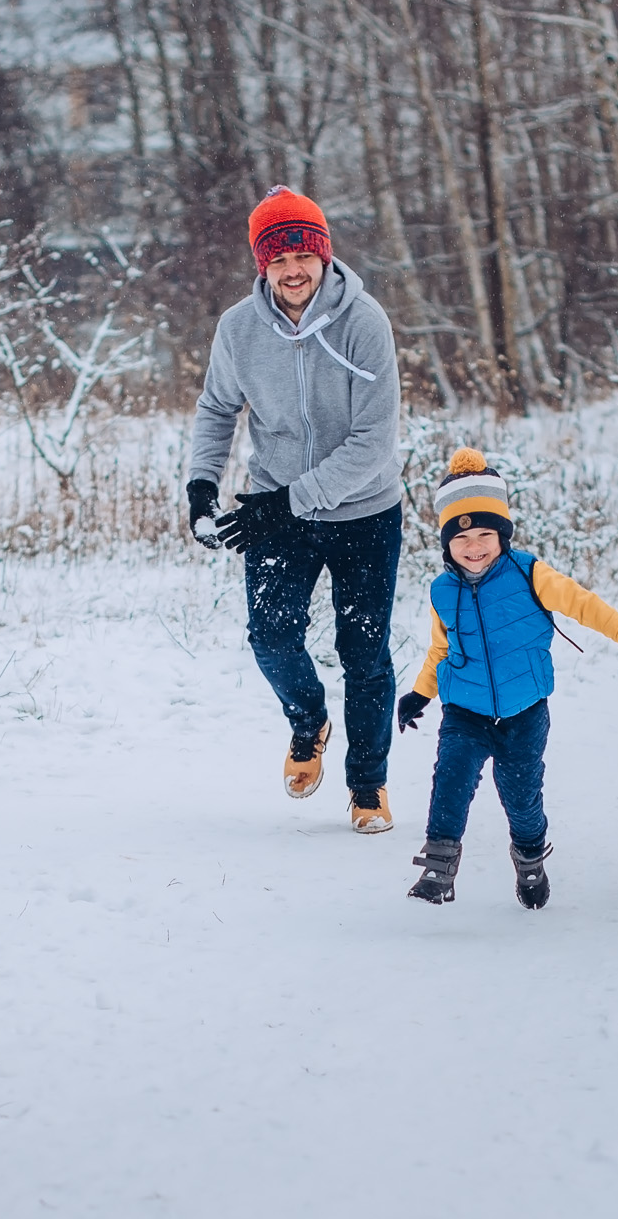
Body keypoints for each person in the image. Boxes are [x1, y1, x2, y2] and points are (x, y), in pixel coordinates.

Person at [185, 187, 405, 834]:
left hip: (365, 511)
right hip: (275, 506)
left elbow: (374, 442)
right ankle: (308, 721)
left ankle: (368, 785)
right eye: (278, 259)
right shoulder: (239, 329)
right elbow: (217, 407)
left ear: (324, 253)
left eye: (304, 255)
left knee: (363, 651)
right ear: (262, 265)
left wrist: (289, 503)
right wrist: (202, 483)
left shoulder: (365, 322)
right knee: (271, 636)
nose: (293, 270)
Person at [395, 449, 618, 907]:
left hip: (525, 712)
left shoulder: (529, 574)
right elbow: (441, 648)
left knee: (521, 797)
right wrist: (420, 694)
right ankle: (437, 873)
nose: (475, 546)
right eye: (462, 538)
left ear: (503, 535)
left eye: (487, 533)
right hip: (464, 710)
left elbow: (586, 606)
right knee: (450, 779)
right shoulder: (441, 590)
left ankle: (529, 861)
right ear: (446, 543)